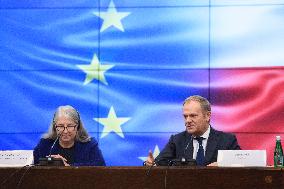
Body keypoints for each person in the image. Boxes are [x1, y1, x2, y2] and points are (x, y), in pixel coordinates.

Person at [145, 95, 241, 166]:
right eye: (185, 116)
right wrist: (150, 164)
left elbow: (242, 162)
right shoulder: (177, 140)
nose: (188, 121)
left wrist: (222, 164)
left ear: (207, 116)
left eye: (193, 116)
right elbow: (159, 164)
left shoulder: (227, 140)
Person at [33, 105, 105, 166]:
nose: (65, 131)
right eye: (60, 126)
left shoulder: (89, 145)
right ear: (55, 127)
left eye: (70, 126)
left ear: (78, 126)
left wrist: (67, 167)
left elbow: (100, 170)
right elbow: (32, 170)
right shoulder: (45, 145)